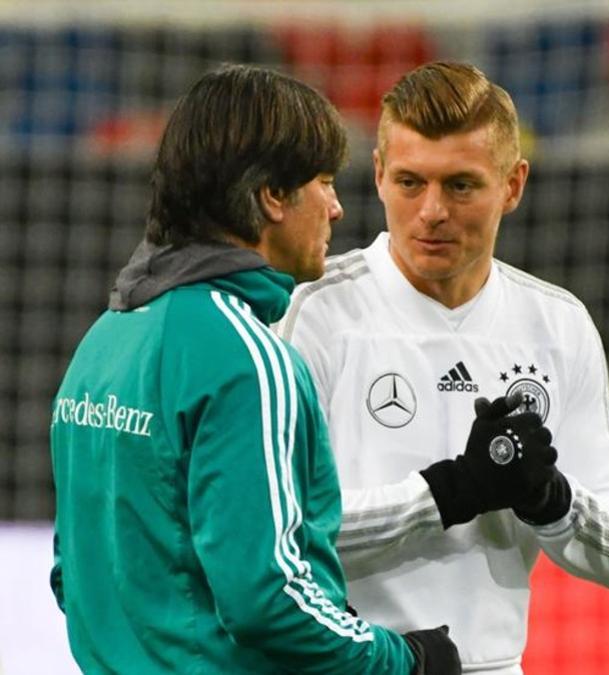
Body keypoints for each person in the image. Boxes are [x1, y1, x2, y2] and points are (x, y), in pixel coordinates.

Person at [49, 64, 462, 674]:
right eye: (323, 181)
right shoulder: (247, 360)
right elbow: (268, 599)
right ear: (272, 196)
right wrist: (404, 660)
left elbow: (72, 573)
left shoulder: (103, 343)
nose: (336, 207)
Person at [276, 61, 609, 674]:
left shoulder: (556, 325)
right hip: (349, 664)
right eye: (409, 182)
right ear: (376, 176)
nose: (431, 211)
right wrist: (448, 491)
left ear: (513, 184)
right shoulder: (313, 314)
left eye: (460, 185)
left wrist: (548, 498)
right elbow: (278, 536)